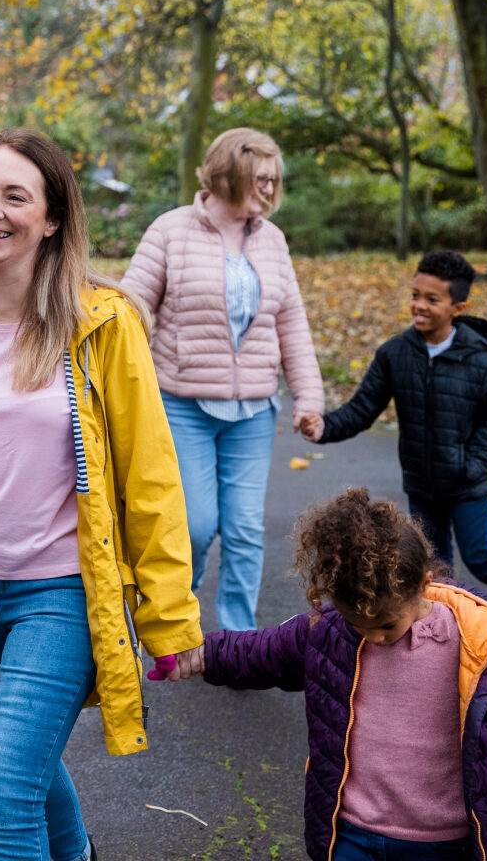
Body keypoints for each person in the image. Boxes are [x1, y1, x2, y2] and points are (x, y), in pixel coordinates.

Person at [0, 128, 203, 861]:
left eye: (15, 195)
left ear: (51, 219)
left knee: (5, 798)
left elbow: (149, 476)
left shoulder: (102, 327)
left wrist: (171, 615)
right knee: (30, 772)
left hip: (60, 593)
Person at [187, 487, 487, 860]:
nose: (374, 637)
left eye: (386, 625)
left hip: (449, 842)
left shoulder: (483, 640)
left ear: (424, 586)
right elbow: (262, 652)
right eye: (358, 624)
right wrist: (200, 654)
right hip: (353, 835)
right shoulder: (330, 630)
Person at [123, 126, 323, 631]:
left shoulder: (272, 240)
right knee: (194, 526)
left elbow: (291, 320)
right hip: (182, 403)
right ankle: (177, 617)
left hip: (254, 409)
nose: (271, 190)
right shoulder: (170, 230)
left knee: (244, 529)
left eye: (275, 180)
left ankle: (239, 638)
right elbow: (130, 313)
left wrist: (309, 397)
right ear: (230, 175)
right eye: (261, 179)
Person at [301, 250, 487, 614]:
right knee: (434, 566)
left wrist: (476, 464)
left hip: (467, 483)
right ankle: (446, 629)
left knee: (479, 555)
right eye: (415, 295)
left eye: (432, 299)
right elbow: (363, 408)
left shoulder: (479, 360)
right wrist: (323, 427)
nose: (419, 305)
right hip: (422, 482)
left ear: (458, 307)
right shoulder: (395, 353)